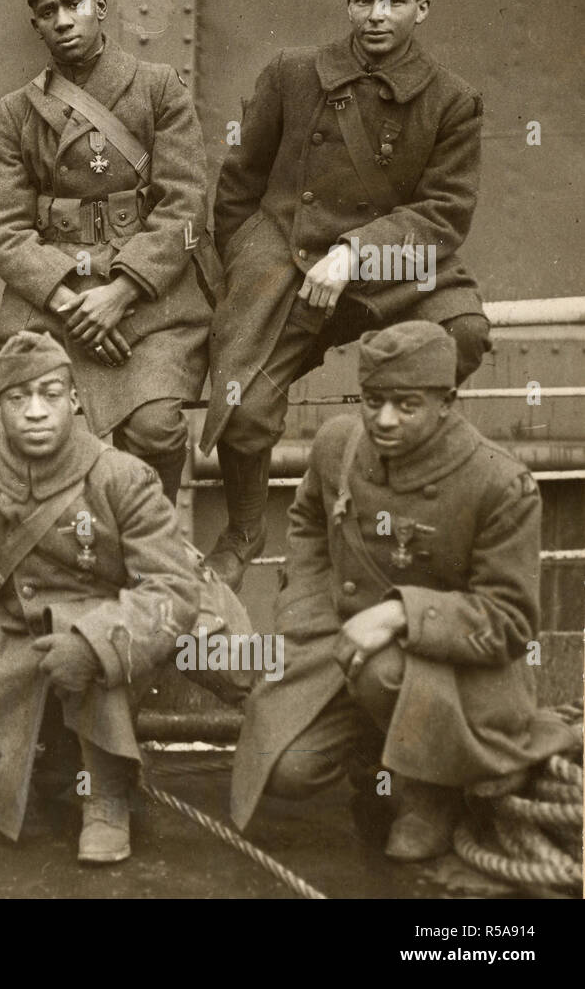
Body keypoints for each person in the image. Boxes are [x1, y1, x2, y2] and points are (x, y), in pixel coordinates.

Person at [201, 0, 491, 589]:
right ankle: (245, 528)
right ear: (349, 2)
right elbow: (238, 185)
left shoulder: (452, 101)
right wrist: (250, 268)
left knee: (463, 333)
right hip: (289, 257)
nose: (377, 16)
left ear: (423, 8)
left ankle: (381, 484)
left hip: (389, 263)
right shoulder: (292, 73)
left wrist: (355, 254)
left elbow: (443, 214)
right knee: (242, 405)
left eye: (393, 1)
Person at [230, 322, 577, 859]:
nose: (384, 419)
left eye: (407, 405)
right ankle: (381, 759)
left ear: (447, 402)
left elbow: (508, 622)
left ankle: (429, 794)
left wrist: (399, 615)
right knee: (286, 771)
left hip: (455, 673)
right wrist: (303, 612)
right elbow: (308, 522)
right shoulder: (339, 445)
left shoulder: (499, 484)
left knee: (383, 669)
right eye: (373, 401)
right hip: (343, 645)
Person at [0, 332, 199, 863]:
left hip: (110, 630)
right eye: (18, 398)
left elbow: (172, 589)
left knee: (91, 635)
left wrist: (96, 645)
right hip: (13, 636)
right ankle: (54, 765)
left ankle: (107, 795)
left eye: (51, 394)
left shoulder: (122, 477)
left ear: (75, 400)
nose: (36, 412)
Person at [0, 0, 219, 505]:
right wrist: (67, 301)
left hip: (150, 295)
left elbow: (184, 204)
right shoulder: (16, 112)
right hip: (54, 298)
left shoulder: (158, 88)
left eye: (74, 4)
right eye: (48, 11)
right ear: (35, 24)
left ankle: (150, 533)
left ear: (100, 8)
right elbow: (1, 226)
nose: (63, 20)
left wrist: (123, 291)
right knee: (41, 431)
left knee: (155, 428)